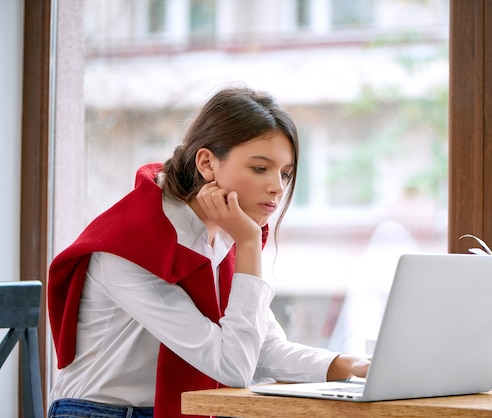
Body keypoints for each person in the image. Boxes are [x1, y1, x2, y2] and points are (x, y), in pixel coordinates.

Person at [47, 86, 370, 418]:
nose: (277, 187)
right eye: (260, 168)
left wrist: (351, 365)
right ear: (207, 163)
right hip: (101, 412)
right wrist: (247, 244)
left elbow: (261, 347)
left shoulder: (223, 235)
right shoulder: (129, 248)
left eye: (285, 174)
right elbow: (232, 366)